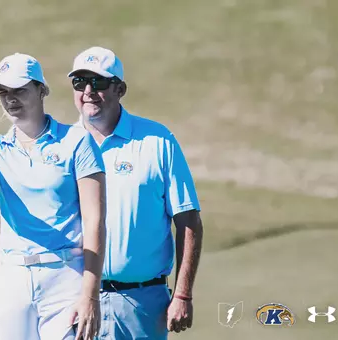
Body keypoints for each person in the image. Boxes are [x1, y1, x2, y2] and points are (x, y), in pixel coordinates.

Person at [0, 52, 106, 340]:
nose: (11, 99)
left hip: (66, 275)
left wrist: (90, 293)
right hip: (11, 277)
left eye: (20, 90)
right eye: (4, 92)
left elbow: (94, 220)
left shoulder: (76, 142)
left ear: (41, 90)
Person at [67, 46, 204, 339]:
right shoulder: (62, 144)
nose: (89, 91)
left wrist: (182, 295)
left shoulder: (157, 141)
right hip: (72, 298)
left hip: (142, 303)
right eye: (80, 82)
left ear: (120, 88)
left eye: (99, 82)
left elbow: (188, 220)